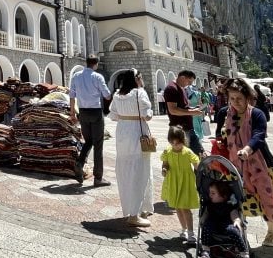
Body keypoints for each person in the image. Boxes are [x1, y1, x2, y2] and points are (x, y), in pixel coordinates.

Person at [222, 78, 273, 247]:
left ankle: (271, 231)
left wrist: (247, 149)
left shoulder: (256, 114)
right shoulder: (228, 114)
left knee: (267, 197)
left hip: (261, 164)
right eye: (232, 98)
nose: (235, 102)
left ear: (247, 97)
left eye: (239, 98)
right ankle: (240, 232)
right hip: (236, 164)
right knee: (238, 198)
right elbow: (224, 133)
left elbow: (259, 135)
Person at [108, 69, 153, 227]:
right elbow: (147, 115)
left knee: (126, 171)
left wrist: (125, 115)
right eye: (140, 77)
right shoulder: (139, 93)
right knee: (140, 170)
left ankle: (137, 207)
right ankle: (134, 214)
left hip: (122, 134)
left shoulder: (117, 95)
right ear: (136, 79)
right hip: (137, 132)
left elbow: (112, 116)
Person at [69, 55, 112, 187]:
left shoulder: (76, 76)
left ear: (86, 63)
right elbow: (107, 95)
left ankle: (79, 163)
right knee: (98, 144)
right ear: (96, 64)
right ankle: (98, 178)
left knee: (88, 141)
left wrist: (72, 113)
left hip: (82, 112)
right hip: (95, 112)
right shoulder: (98, 77)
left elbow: (71, 95)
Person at [198, 181, 254, 258]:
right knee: (206, 226)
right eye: (209, 192)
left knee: (234, 230)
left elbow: (234, 214)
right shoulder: (209, 204)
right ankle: (205, 251)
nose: (210, 195)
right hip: (212, 223)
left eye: (213, 193)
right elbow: (206, 213)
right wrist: (202, 219)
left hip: (226, 224)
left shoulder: (229, 204)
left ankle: (245, 256)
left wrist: (236, 221)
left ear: (223, 196)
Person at [161, 126, 200, 243]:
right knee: (178, 208)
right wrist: (164, 169)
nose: (175, 145)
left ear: (183, 141)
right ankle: (183, 230)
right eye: (172, 143)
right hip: (173, 182)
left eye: (177, 143)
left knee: (186, 209)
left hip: (186, 183)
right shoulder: (167, 151)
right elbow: (165, 164)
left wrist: (202, 164)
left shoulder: (187, 152)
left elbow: (197, 164)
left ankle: (191, 233)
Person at [164, 69, 204, 156]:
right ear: (182, 78)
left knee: (200, 155)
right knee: (183, 158)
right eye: (189, 81)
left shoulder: (181, 88)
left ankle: (200, 170)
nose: (190, 84)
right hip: (180, 130)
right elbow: (173, 110)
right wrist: (192, 112)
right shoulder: (171, 88)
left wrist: (193, 109)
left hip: (188, 128)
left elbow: (183, 107)